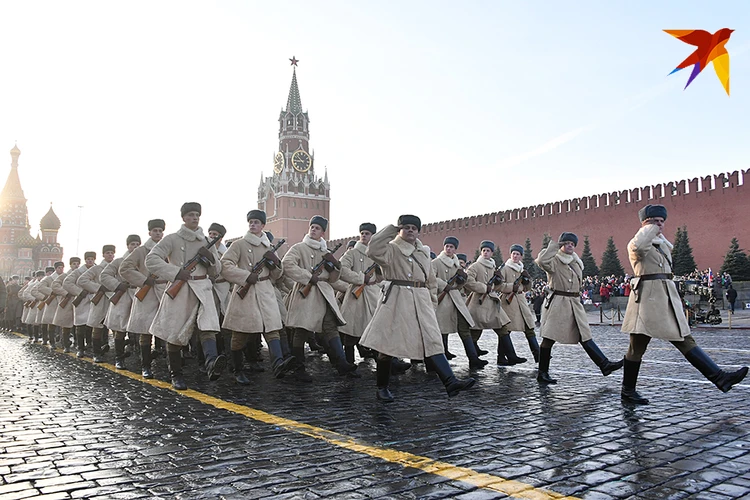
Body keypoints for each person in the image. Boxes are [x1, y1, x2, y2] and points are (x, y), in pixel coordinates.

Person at [621, 204, 748, 404]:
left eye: (662, 222)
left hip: (666, 299)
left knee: (683, 339)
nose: (660, 225)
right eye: (655, 221)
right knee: (637, 349)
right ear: (645, 223)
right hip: (646, 303)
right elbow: (638, 247)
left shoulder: (661, 245)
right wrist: (649, 229)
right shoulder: (637, 243)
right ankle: (628, 391)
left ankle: (720, 378)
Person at [359, 215, 475, 402]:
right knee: (387, 346)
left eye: (414, 227)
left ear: (419, 231)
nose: (410, 230)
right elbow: (372, 250)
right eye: (406, 227)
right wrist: (392, 228)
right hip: (396, 298)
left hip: (421, 299)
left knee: (432, 339)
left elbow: (429, 280)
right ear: (400, 229)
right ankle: (382, 387)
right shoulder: (392, 249)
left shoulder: (423, 252)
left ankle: (450, 382)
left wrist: (432, 302)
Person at [146, 202, 225, 390]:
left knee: (208, 328)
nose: (194, 217)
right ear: (183, 218)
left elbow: (217, 270)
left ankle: (212, 364)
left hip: (203, 288)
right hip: (181, 288)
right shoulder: (172, 239)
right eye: (190, 214)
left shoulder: (207, 241)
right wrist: (175, 272)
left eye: (197, 214)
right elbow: (152, 260)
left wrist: (211, 259)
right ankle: (176, 374)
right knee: (175, 333)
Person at [535, 233, 623, 384]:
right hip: (559, 303)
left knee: (584, 335)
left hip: (575, 302)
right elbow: (541, 261)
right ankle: (542, 373)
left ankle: (604, 365)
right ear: (561, 244)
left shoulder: (576, 262)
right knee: (549, 339)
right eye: (567, 243)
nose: (570, 246)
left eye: (572, 244)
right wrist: (555, 246)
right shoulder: (555, 260)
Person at [220, 209, 296, 383]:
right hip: (246, 292)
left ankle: (278, 363)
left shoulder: (269, 247)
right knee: (240, 334)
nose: (253, 225)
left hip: (265, 290)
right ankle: (237, 369)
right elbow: (225, 265)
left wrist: (275, 264)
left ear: (263, 226)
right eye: (251, 222)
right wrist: (246, 276)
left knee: (272, 329)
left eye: (256, 222)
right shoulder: (238, 244)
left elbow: (277, 275)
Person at [281, 215, 358, 382]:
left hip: (324, 292)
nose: (314, 230)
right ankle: (298, 368)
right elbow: (287, 264)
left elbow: (333, 278)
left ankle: (342, 363)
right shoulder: (299, 247)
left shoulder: (325, 252)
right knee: (301, 329)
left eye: (317, 228)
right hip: (306, 292)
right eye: (312, 227)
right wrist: (308, 277)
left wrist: (335, 265)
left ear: (323, 232)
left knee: (331, 327)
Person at [120, 219, 167, 379]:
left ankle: (173, 366)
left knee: (168, 328)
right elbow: (125, 268)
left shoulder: (168, 249)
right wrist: (143, 280)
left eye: (160, 231)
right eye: (155, 231)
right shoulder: (141, 251)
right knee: (145, 331)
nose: (158, 233)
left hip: (165, 291)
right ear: (149, 233)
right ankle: (145, 366)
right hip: (147, 292)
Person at [464, 240, 522, 365]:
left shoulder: (494, 267)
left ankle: (511, 356)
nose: (485, 253)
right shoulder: (475, 266)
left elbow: (499, 287)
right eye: (483, 250)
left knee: (502, 328)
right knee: (475, 331)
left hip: (491, 302)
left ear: (492, 253)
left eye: (488, 251)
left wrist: (498, 281)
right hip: (478, 302)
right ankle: (473, 359)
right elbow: (468, 281)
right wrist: (484, 288)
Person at [433, 236, 487, 369]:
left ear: (455, 249)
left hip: (456, 299)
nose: (449, 249)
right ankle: (443, 359)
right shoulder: (436, 263)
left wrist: (462, 280)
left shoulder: (457, 264)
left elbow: (462, 284)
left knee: (464, 328)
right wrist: (444, 285)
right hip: (442, 299)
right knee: (442, 330)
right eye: (447, 246)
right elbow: (431, 278)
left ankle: (473, 358)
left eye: (452, 247)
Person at [338, 223, 382, 364]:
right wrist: (361, 278)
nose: (364, 235)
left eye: (367, 233)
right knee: (351, 333)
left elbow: (385, 275)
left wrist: (375, 279)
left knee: (375, 332)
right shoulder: (352, 253)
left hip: (373, 295)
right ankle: (349, 364)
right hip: (355, 296)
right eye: (362, 233)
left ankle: (384, 364)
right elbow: (342, 269)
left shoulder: (377, 255)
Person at [100, 235, 141, 369]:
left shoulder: (144, 260)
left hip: (140, 294)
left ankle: (141, 357)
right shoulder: (118, 261)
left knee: (141, 326)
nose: (135, 247)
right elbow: (104, 275)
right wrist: (117, 285)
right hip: (123, 295)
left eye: (137, 244)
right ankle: (119, 357)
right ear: (127, 246)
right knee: (120, 328)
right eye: (132, 244)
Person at [497, 244, 540, 363]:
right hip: (508, 301)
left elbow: (526, 289)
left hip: (520, 300)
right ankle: (501, 357)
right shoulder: (505, 269)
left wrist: (528, 280)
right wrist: (512, 287)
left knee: (529, 327)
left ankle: (538, 355)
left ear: (521, 256)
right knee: (506, 330)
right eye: (513, 253)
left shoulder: (522, 269)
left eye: (517, 254)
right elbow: (499, 286)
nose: (515, 256)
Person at [78, 245, 116, 363]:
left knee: (116, 325)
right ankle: (96, 353)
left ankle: (116, 353)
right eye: (108, 253)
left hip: (115, 298)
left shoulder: (117, 267)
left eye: (112, 253)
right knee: (97, 326)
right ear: (103, 255)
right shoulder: (97, 268)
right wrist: (98, 288)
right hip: (100, 299)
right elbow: (82, 280)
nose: (110, 255)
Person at [64, 252, 97, 357]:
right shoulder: (78, 272)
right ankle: (80, 348)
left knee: (95, 324)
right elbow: (67, 282)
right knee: (80, 325)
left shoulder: (98, 270)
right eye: (88, 259)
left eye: (92, 259)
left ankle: (93, 346)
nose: (90, 261)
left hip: (95, 299)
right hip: (82, 300)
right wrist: (79, 292)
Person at [52, 258, 80, 353]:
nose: (76, 265)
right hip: (68, 301)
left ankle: (78, 343)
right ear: (70, 265)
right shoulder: (64, 276)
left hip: (79, 301)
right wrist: (66, 293)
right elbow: (55, 285)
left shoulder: (81, 275)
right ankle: (66, 344)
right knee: (66, 324)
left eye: (77, 264)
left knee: (78, 323)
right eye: (74, 264)